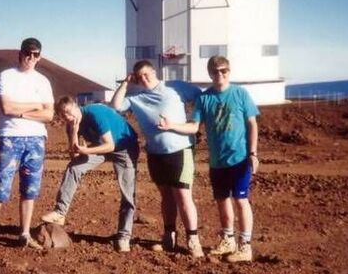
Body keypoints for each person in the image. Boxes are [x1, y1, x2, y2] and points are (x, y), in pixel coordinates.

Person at [158, 55, 259, 262]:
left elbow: (252, 124)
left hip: (239, 158)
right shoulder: (204, 99)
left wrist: (253, 153)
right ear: (209, 73)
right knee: (222, 201)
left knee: (240, 200)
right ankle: (228, 239)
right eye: (215, 71)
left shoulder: (240, 94)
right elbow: (194, 126)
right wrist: (172, 126)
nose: (219, 75)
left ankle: (245, 246)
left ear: (229, 71)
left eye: (223, 70)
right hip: (217, 161)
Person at [110, 60, 204, 257]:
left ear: (154, 72)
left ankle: (193, 239)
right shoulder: (135, 96)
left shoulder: (174, 87)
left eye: (147, 74)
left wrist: (195, 123)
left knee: (183, 196)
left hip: (180, 149)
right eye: (139, 76)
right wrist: (126, 83)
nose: (144, 79)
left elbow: (200, 98)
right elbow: (116, 106)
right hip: (155, 152)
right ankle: (169, 235)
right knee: (166, 197)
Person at [0, 37, 54, 254]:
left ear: (40, 57)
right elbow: (6, 107)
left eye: (35, 54)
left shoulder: (43, 81)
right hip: (10, 137)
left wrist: (23, 110)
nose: (31, 57)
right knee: (1, 189)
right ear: (20, 53)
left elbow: (49, 114)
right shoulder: (7, 76)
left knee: (30, 190)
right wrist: (35, 106)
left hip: (36, 139)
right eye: (27, 53)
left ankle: (25, 234)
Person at [41, 96, 139, 252]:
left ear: (75, 106)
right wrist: (74, 131)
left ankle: (124, 236)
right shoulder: (70, 125)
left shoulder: (95, 113)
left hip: (124, 146)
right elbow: (74, 157)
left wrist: (86, 150)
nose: (66, 116)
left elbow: (110, 145)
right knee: (74, 168)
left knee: (127, 192)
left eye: (68, 111)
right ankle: (60, 212)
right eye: (62, 114)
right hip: (101, 146)